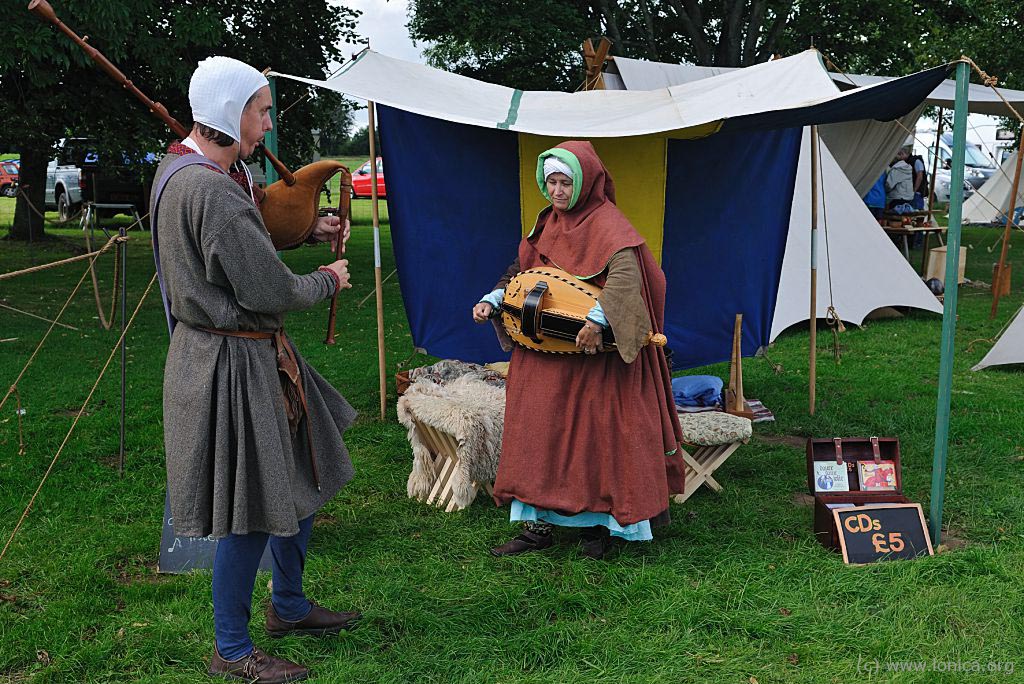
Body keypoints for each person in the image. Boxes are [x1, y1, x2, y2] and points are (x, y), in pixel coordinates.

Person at [152, 56, 359, 683]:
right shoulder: (212, 191)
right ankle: (232, 649)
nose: (267, 124)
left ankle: (289, 606)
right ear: (229, 111)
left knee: (305, 469)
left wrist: (302, 229)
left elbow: (242, 245)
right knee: (250, 508)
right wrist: (327, 279)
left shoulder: (181, 169)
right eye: (261, 110)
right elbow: (269, 288)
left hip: (234, 351)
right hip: (231, 362)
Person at [472, 141, 685, 560]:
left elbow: (628, 279)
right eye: (550, 182)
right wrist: (495, 300)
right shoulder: (546, 222)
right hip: (542, 353)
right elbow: (523, 274)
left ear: (585, 181)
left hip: (593, 362)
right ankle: (538, 523)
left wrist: (598, 321)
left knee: (593, 439)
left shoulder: (609, 225)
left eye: (565, 182)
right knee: (538, 434)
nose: (557, 191)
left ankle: (600, 528)